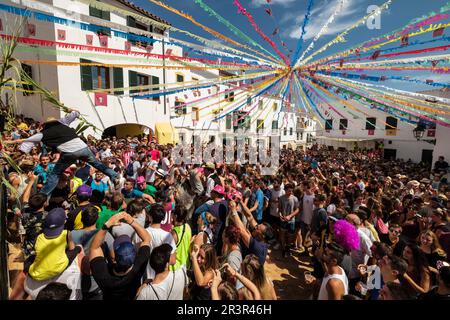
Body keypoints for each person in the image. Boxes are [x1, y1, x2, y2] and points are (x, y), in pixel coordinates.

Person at [5, 110, 119, 195]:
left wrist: (8, 160)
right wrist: (70, 110)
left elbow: (23, 149)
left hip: (70, 153)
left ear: (43, 126)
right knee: (97, 163)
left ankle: (43, 195)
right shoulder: (62, 123)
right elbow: (76, 113)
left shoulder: (41, 134)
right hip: (83, 148)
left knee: (55, 173)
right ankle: (114, 176)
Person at [89, 212, 151, 300]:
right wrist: (131, 221)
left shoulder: (104, 276)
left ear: (114, 257)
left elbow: (94, 248)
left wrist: (107, 224)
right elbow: (147, 239)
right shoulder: (138, 268)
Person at [145, 203, 176, 280]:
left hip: (145, 276)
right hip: (162, 278)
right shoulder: (168, 236)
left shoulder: (141, 233)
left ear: (150, 217)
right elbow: (173, 260)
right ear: (163, 219)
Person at [278, 184, 300, 257]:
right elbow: (279, 209)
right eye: (289, 191)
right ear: (285, 190)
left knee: (290, 235)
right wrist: (280, 215)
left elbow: (297, 209)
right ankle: (284, 249)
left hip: (291, 220)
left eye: (291, 190)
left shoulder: (295, 198)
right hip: (283, 220)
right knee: (283, 234)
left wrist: (290, 216)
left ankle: (288, 247)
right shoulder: (281, 198)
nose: (290, 192)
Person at [171, 206, 192, 271]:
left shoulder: (174, 233)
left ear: (176, 216)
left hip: (176, 268)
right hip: (186, 265)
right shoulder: (188, 226)